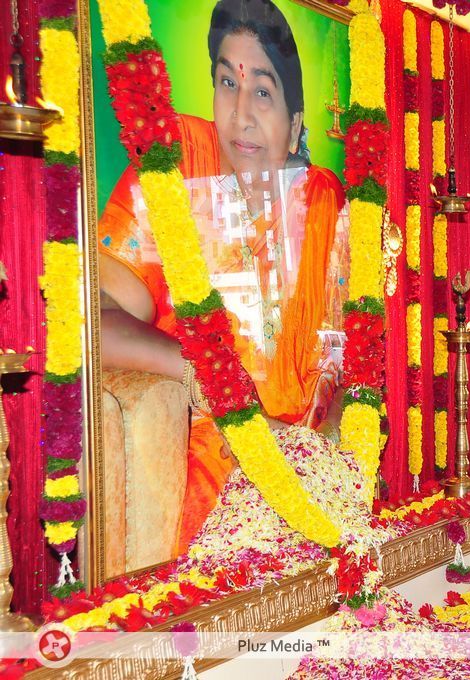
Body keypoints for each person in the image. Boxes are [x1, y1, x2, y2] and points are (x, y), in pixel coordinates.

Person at [98, 0, 346, 554]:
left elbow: (340, 367)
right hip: (200, 489)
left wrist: (311, 452)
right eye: (225, 82)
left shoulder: (323, 203)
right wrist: (198, 371)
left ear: (295, 123)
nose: (240, 113)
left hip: (306, 484)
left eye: (262, 90)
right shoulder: (176, 167)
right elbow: (96, 320)